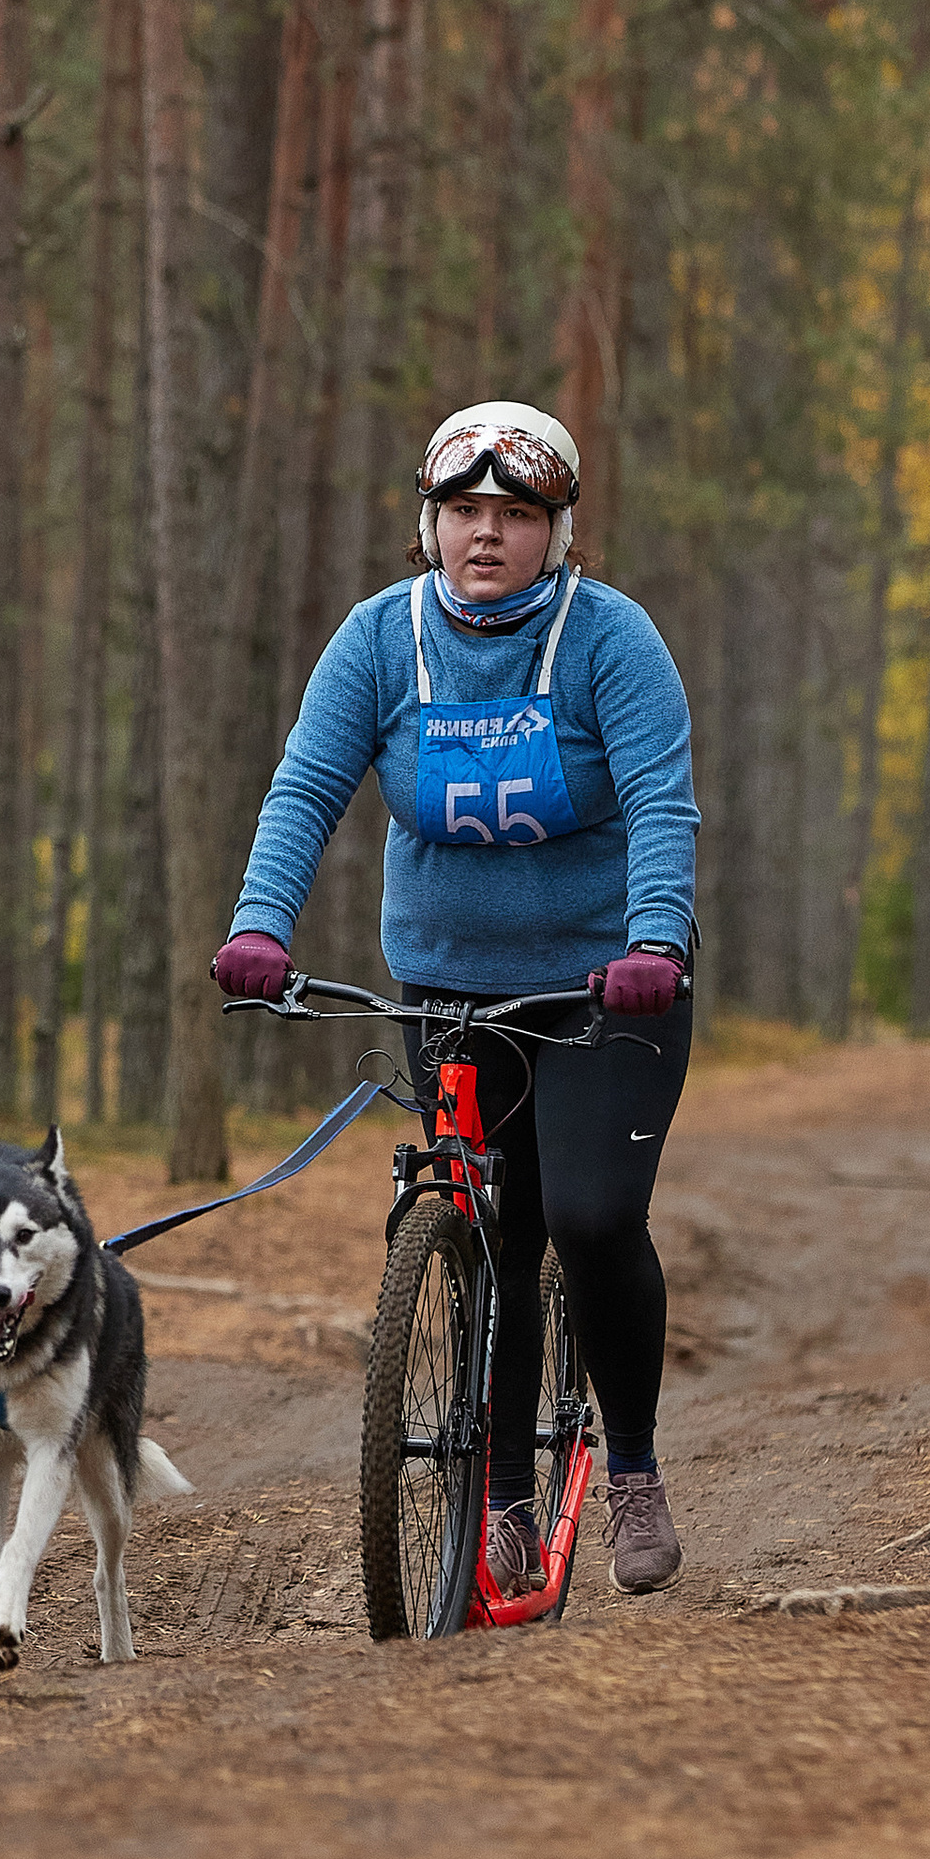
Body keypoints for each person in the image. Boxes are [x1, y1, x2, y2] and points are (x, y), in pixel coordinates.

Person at [210, 402, 698, 1597]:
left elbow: (660, 802)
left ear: (556, 530)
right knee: (492, 1224)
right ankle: (502, 1506)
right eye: (464, 512)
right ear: (429, 525)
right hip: (444, 985)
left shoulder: (610, 641)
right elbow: (304, 788)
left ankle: (628, 1463)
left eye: (515, 515)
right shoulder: (380, 640)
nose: (487, 535)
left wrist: (653, 941)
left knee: (584, 1218)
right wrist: (258, 924)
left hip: (603, 991)